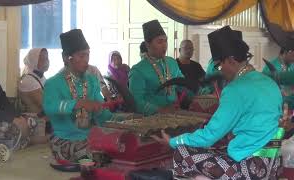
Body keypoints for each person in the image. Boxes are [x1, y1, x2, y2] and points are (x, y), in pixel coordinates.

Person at [152, 26, 284, 179]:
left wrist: (174, 141)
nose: (219, 71)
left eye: (219, 65)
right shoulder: (269, 83)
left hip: (249, 168)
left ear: (231, 61)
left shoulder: (235, 89)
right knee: (217, 146)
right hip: (273, 163)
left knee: (182, 153)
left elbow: (210, 135)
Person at [43, 29, 121, 162]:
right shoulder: (53, 83)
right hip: (64, 140)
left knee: (120, 148)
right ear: (66, 58)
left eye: (87, 55)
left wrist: (124, 121)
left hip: (89, 138)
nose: (86, 60)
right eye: (81, 56)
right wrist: (77, 104)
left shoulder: (91, 80)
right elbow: (49, 107)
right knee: (95, 155)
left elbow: (102, 114)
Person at [129, 20, 183, 116]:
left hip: (175, 114)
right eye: (159, 42)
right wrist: (160, 110)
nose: (164, 45)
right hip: (151, 120)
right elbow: (135, 102)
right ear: (147, 45)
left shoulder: (172, 62)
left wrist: (198, 90)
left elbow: (182, 84)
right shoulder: (138, 70)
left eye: (165, 40)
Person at [19, 48, 49, 114]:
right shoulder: (29, 80)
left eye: (46, 58)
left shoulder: (41, 77)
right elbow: (47, 105)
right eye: (42, 59)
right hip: (35, 121)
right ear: (33, 61)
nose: (46, 62)